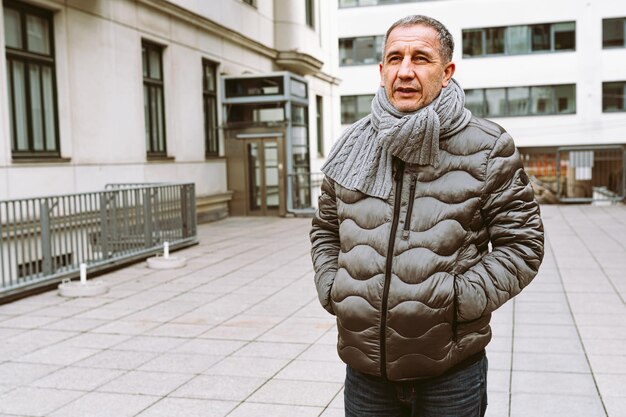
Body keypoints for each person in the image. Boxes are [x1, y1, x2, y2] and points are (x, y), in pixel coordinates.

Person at [310, 15, 544, 417]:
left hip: (450, 373)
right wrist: (334, 287)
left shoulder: (487, 147)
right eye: (394, 58)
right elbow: (326, 229)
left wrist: (456, 299)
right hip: (365, 372)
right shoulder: (352, 145)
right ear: (381, 70)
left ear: (447, 71)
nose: (405, 71)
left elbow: (523, 245)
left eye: (421, 58)